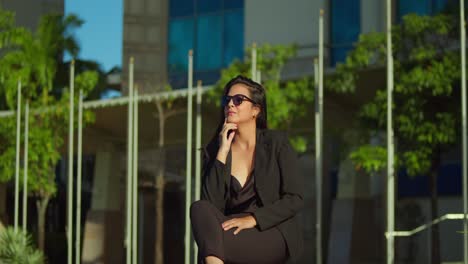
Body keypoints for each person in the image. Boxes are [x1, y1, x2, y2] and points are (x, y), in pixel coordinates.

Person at [190, 75, 304, 264]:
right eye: (227, 100)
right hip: (233, 233)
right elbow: (211, 206)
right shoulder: (215, 152)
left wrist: (253, 219)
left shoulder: (276, 143)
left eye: (238, 100)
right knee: (198, 208)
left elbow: (295, 198)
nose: (230, 105)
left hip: (271, 230)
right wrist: (222, 151)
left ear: (255, 110)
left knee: (209, 248)